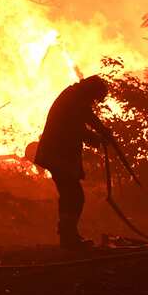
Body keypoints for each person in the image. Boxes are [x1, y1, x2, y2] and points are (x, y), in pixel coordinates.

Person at [32, 75, 110, 249]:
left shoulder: (75, 97)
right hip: (57, 155)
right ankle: (68, 236)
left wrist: (103, 131)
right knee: (74, 195)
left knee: (71, 195)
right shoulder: (73, 100)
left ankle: (68, 235)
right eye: (94, 98)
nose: (94, 102)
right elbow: (76, 128)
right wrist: (97, 138)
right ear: (91, 92)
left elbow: (88, 116)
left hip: (58, 155)